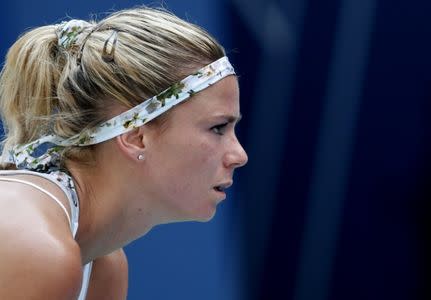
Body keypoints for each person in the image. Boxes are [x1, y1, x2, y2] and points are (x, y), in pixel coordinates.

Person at [0, 6, 248, 299]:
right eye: (218, 128)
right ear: (136, 137)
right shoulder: (38, 252)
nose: (239, 155)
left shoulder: (103, 266)